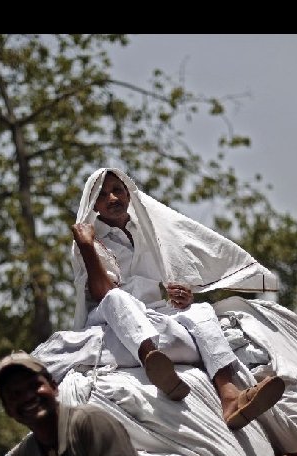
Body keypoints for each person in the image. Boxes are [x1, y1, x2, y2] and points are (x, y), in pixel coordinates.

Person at [70, 168, 285, 430]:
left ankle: (229, 395)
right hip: (109, 320)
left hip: (153, 313)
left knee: (202, 311)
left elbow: (169, 274)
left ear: (128, 192)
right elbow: (102, 293)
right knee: (117, 299)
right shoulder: (90, 240)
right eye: (103, 195)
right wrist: (86, 248)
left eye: (117, 190)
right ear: (94, 205)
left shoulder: (148, 231)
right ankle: (154, 363)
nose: (113, 198)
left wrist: (183, 297)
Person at [0, 351, 168, 456]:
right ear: (7, 409)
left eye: (35, 385)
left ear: (54, 387)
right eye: (15, 394)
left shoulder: (90, 423)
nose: (28, 397)